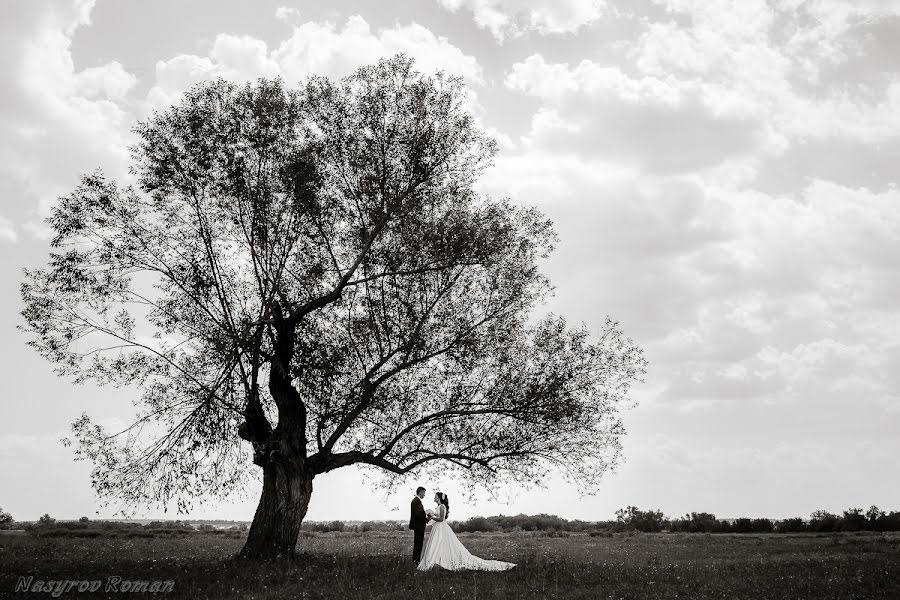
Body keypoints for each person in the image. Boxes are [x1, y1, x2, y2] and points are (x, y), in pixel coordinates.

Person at [417, 491, 515, 571]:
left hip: (441, 527)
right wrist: (431, 517)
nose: (434, 497)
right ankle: (434, 561)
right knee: (436, 544)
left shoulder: (442, 506)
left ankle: (434, 562)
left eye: (435, 496)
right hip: (437, 528)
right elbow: (437, 518)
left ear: (439, 498)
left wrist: (432, 516)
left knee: (439, 543)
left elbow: (442, 519)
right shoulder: (438, 507)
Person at [409, 486, 431, 565]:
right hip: (418, 526)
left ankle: (416, 562)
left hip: (418, 526)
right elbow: (419, 514)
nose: (424, 495)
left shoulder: (416, 501)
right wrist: (427, 518)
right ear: (420, 492)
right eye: (424, 493)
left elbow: (419, 513)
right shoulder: (416, 501)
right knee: (418, 544)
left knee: (418, 544)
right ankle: (416, 563)